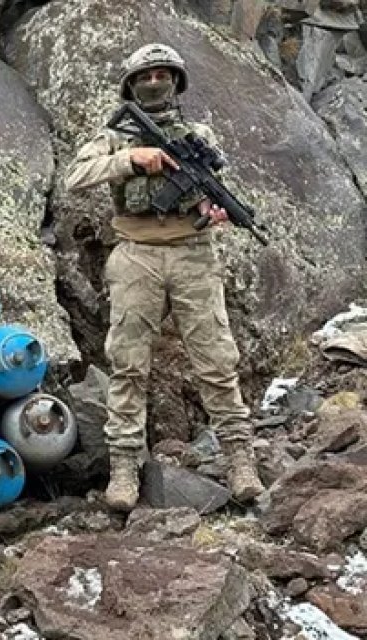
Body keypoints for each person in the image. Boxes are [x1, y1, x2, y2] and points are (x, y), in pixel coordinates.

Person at [63, 43, 266, 511]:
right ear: (131, 86)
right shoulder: (117, 136)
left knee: (217, 361)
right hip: (136, 254)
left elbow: (205, 188)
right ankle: (123, 469)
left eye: (163, 74)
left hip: (193, 254)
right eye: (146, 75)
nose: (155, 82)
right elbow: (76, 175)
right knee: (128, 364)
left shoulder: (197, 134)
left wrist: (208, 210)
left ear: (176, 82)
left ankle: (240, 461)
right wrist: (134, 160)